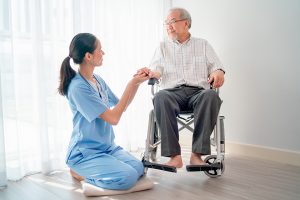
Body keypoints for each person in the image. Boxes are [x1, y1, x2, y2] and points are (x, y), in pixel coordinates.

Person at [58, 33, 150, 190]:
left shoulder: (97, 80)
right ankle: (80, 173)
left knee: (139, 169)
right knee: (127, 177)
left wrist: (136, 83)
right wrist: (131, 83)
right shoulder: (78, 88)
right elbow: (114, 119)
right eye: (100, 50)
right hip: (85, 153)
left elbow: (122, 105)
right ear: (88, 56)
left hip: (107, 147)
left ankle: (97, 169)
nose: (103, 53)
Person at [146, 8, 225, 168]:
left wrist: (218, 72)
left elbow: (217, 66)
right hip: (171, 94)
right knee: (160, 96)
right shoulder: (162, 47)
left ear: (186, 23)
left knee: (211, 95)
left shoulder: (202, 44)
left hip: (198, 94)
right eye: (166, 23)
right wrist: (151, 73)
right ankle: (175, 157)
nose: (168, 26)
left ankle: (197, 155)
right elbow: (156, 69)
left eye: (171, 22)